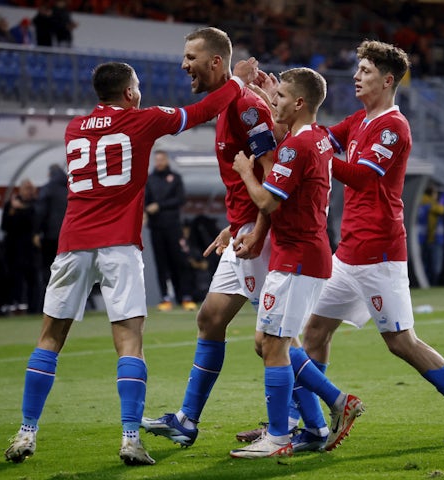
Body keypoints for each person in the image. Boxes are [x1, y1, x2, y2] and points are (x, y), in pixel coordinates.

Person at [3, 57, 259, 466]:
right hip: (119, 246)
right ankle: (128, 439)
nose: (140, 92)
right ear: (129, 92)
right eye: (137, 86)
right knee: (129, 343)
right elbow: (202, 111)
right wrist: (237, 82)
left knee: (50, 338)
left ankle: (26, 432)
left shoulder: (73, 129)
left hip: (72, 243)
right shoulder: (142, 120)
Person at [289, 40, 444, 444]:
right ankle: (311, 426)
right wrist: (277, 101)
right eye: (357, 70)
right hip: (349, 252)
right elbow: (320, 136)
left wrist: (322, 156)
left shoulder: (393, 126)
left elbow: (364, 177)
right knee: (313, 332)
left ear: (386, 80)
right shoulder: (360, 121)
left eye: (364, 71)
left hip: (380, 254)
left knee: (401, 342)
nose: (356, 77)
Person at [141, 26, 277, 448]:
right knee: (210, 319)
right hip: (241, 233)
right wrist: (233, 224)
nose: (184, 65)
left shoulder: (248, 107)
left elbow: (274, 175)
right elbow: (246, 180)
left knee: (270, 341)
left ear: (216, 62)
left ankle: (313, 414)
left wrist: (257, 229)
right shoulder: (227, 105)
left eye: (191, 57)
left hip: (259, 237)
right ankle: (187, 420)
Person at [229, 67, 363, 459]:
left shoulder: (296, 147)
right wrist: (271, 91)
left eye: (282, 97)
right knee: (268, 343)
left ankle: (279, 436)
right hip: (303, 255)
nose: (274, 103)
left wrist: (244, 171)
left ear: (300, 103)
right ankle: (329, 412)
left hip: (298, 259)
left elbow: (268, 201)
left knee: (273, 346)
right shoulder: (318, 139)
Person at [144, 149, 196, 311]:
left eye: (161, 159)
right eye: (156, 159)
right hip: (156, 228)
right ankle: (165, 298)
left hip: (173, 226)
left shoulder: (175, 178)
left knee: (180, 261)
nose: (159, 162)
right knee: (161, 264)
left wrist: (159, 206)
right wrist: (146, 211)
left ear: (166, 160)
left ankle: (185, 296)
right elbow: (144, 202)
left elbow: (180, 199)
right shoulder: (150, 180)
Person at [1, 179, 41, 314]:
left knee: (33, 280)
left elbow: (35, 221)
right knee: (15, 279)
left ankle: (33, 308)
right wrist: (15, 210)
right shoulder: (11, 205)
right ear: (20, 189)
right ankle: (16, 306)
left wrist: (21, 209)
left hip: (31, 250)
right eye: (27, 188)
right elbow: (5, 225)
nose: (30, 191)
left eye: (31, 188)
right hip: (14, 249)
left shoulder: (37, 204)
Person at [34, 164, 68, 288]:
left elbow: (40, 212)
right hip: (67, 235)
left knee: (49, 269)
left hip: (50, 235)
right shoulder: (68, 189)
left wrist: (36, 232)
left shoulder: (47, 189)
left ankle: (48, 300)